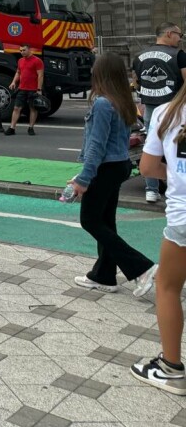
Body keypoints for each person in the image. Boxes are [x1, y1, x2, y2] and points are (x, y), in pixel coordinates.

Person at [67, 52, 157, 298]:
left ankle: (142, 267)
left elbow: (96, 146)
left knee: (91, 221)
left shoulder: (102, 103)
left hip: (105, 167)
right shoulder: (123, 100)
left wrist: (83, 179)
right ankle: (104, 276)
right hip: (120, 166)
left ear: (101, 73)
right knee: (106, 222)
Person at [131, 77, 186, 394]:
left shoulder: (167, 112)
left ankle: (171, 368)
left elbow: (148, 167)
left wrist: (177, 178)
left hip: (182, 219)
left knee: (167, 287)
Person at [132, 22, 186, 203]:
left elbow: (137, 81)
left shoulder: (139, 57)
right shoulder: (179, 55)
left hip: (150, 109)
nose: (180, 38)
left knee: (151, 148)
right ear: (169, 34)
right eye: (179, 35)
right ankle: (176, 185)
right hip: (175, 109)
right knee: (177, 149)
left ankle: (151, 190)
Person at [5, 43, 45, 136]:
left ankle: (31, 128)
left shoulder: (37, 61)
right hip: (22, 88)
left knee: (33, 108)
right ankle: (12, 128)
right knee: (16, 108)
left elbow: (40, 75)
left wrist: (39, 89)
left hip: (33, 89)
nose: (22, 52)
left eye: (24, 50)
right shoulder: (20, 61)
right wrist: (13, 82)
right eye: (21, 50)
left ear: (29, 50)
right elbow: (18, 72)